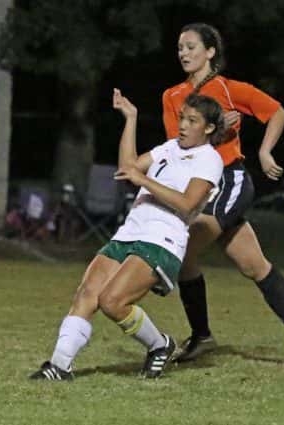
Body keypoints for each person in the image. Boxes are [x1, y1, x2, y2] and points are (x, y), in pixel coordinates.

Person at [30, 90, 224, 380]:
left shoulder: (209, 159)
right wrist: (130, 118)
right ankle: (59, 366)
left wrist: (143, 179)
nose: (183, 125)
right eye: (182, 117)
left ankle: (160, 344)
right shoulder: (169, 148)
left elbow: (187, 202)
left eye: (192, 120)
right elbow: (127, 169)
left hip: (163, 241)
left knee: (113, 301)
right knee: (87, 293)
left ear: (208, 128)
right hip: (130, 231)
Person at [162, 23, 284, 368]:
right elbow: (179, 144)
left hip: (229, 181)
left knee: (186, 248)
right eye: (179, 48)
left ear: (210, 52)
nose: (184, 53)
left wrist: (265, 152)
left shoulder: (229, 89)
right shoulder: (172, 96)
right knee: (254, 265)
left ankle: (201, 335)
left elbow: (277, 111)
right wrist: (218, 126)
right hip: (200, 186)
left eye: (191, 47)